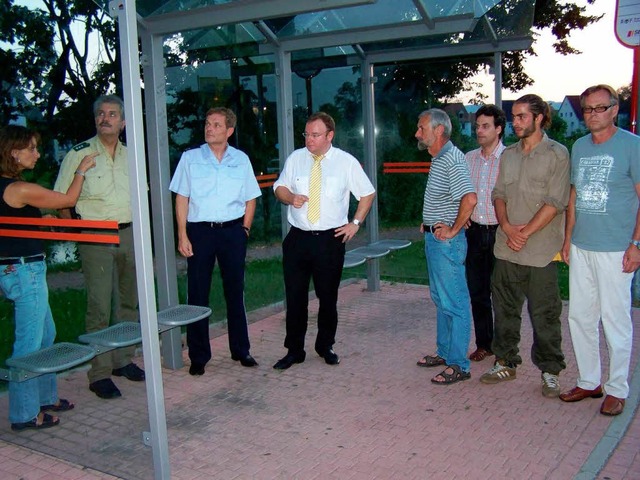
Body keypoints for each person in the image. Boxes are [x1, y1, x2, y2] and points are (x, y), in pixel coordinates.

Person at [0, 125, 95, 430]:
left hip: (20, 267)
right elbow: (67, 199)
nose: (37, 154)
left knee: (45, 335)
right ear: (14, 152)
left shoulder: (11, 188)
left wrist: (41, 219)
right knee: (28, 344)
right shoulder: (19, 189)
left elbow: (14, 219)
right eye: (31, 148)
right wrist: (80, 169)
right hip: (24, 270)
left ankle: (45, 397)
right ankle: (25, 414)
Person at [54, 95, 144, 399]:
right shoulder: (79, 154)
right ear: (95, 119)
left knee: (129, 302)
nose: (106, 118)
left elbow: (141, 197)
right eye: (101, 114)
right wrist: (78, 233)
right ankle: (99, 373)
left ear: (123, 122)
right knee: (99, 307)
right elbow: (61, 199)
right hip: (96, 236)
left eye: (113, 114)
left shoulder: (132, 155)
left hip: (129, 234)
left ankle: (123, 360)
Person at [479, 94, 570, 398]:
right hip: (506, 248)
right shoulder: (509, 155)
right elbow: (499, 193)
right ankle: (505, 361)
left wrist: (526, 233)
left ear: (539, 117)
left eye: (521, 117)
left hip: (540, 251)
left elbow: (556, 202)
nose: (515, 122)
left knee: (544, 313)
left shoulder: (557, 154)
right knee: (504, 309)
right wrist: (506, 227)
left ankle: (550, 371)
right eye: (514, 117)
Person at [559, 85, 640, 416]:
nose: (592, 115)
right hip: (582, 246)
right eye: (587, 109)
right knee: (580, 316)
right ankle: (589, 380)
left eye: (598, 108)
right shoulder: (579, 147)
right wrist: (567, 240)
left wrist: (636, 244)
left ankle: (617, 389)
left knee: (615, 320)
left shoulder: (632, 146)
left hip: (616, 248)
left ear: (614, 109)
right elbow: (574, 197)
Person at [272, 111, 375, 370]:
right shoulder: (296, 158)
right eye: (306, 134)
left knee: (327, 298)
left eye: (315, 135)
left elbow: (367, 193)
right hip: (298, 239)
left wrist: (355, 224)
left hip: (329, 241)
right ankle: (294, 350)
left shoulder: (345, 162)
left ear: (330, 136)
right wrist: (290, 198)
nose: (309, 139)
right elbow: (279, 187)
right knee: (295, 297)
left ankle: (325, 345)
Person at [169, 107, 261, 376]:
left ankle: (241, 350)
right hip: (200, 233)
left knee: (235, 291)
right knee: (197, 293)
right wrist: (182, 234)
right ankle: (199, 356)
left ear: (229, 131)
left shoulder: (241, 160)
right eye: (208, 124)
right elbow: (181, 197)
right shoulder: (190, 159)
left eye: (216, 125)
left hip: (233, 232)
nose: (209, 128)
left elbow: (250, 197)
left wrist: (245, 229)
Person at [414, 108, 477, 385]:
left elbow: (470, 199)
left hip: (446, 244)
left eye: (422, 128)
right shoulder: (439, 159)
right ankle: (444, 353)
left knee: (456, 303)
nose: (417, 133)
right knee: (441, 300)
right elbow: (448, 199)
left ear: (439, 131)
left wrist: (452, 229)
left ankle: (459, 365)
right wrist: (428, 223)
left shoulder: (452, 159)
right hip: (435, 239)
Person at [465, 105, 506, 362]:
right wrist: (463, 216)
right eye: (477, 126)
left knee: (502, 294)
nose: (479, 130)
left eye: (485, 126)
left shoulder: (511, 158)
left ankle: (504, 349)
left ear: (499, 129)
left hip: (501, 233)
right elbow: (461, 192)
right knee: (478, 293)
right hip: (475, 234)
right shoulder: (469, 158)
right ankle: (484, 344)